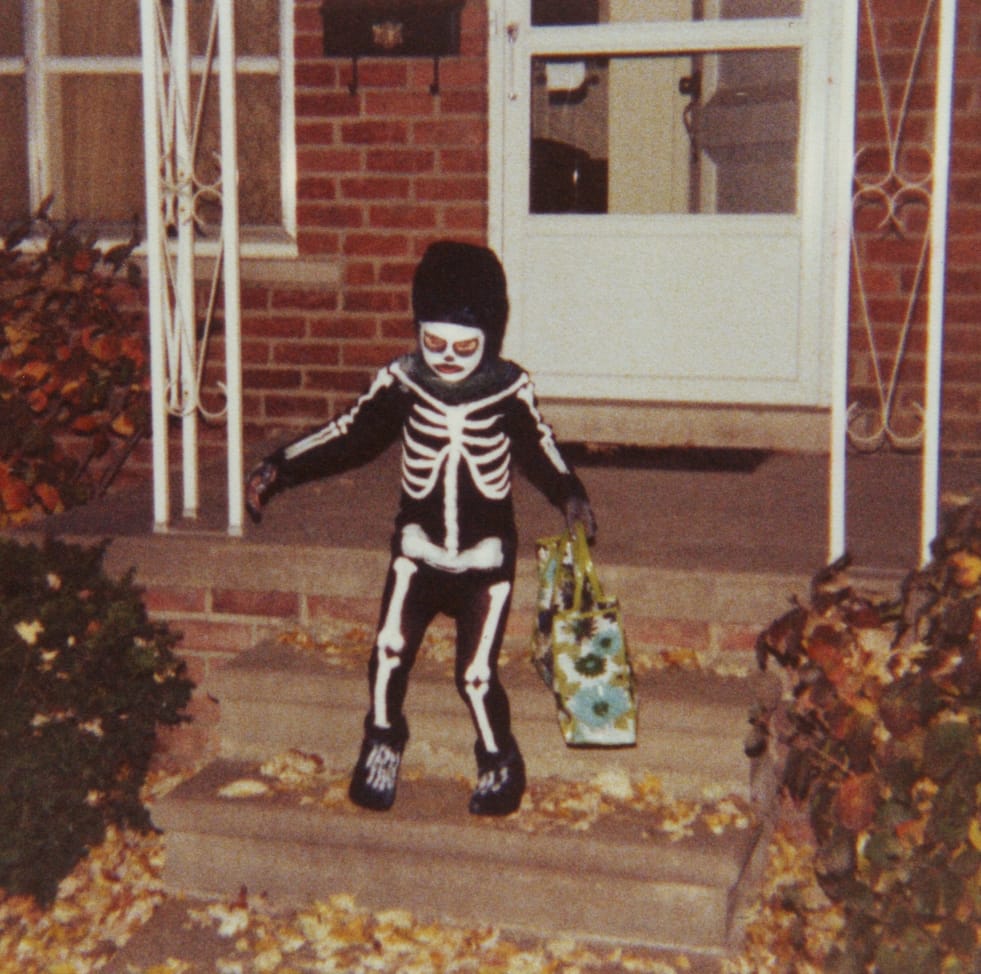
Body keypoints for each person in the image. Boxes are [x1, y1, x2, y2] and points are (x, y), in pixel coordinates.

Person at [246, 241, 596, 816]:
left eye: (465, 346)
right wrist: (280, 465)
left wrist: (571, 494)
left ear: (491, 337)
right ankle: (383, 741)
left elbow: (540, 447)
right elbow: (348, 435)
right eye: (434, 343)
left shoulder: (509, 389)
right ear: (417, 332)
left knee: (477, 676)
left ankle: (499, 759)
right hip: (418, 551)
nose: (448, 357)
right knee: (388, 650)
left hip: (485, 559)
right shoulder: (404, 382)